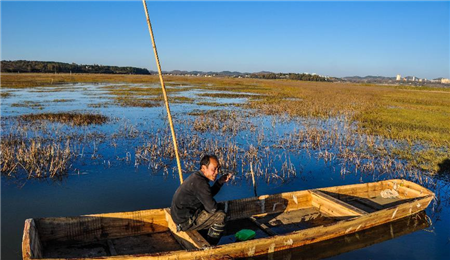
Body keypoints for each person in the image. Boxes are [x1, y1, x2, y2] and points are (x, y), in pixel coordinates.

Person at [170, 154, 231, 243]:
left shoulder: (197, 177)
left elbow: (206, 195)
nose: (217, 172)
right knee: (221, 216)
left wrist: (219, 182)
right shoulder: (201, 183)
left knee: (212, 207)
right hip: (184, 222)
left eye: (218, 169)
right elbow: (212, 208)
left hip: (179, 216)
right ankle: (210, 244)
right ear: (203, 168)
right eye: (214, 169)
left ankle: (203, 231)